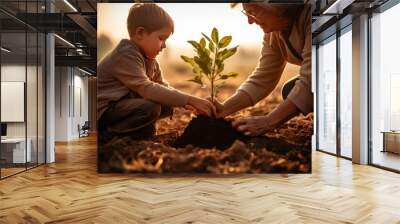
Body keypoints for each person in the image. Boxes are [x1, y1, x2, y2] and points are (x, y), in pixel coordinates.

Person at [97, 3, 216, 142]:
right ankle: (107, 135)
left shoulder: (150, 60)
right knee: (150, 107)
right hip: (102, 112)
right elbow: (146, 88)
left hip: (121, 108)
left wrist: (188, 103)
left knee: (166, 103)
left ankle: (140, 134)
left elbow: (162, 87)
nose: (164, 45)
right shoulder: (125, 55)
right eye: (161, 38)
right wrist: (191, 99)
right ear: (140, 33)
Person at [214, 3, 312, 136]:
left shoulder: (316, 16)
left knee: (305, 92)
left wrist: (269, 121)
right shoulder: (274, 32)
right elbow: (263, 78)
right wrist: (224, 108)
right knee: (290, 90)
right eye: (247, 13)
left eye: (253, 12)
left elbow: (314, 79)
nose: (250, 21)